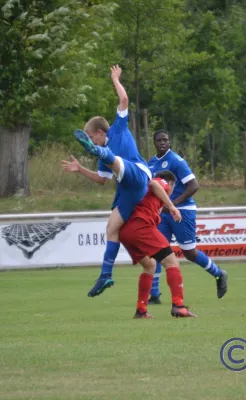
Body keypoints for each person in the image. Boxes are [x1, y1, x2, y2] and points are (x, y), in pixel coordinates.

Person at [61, 65, 151, 298]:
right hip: (127, 189)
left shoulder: (118, 128)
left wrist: (115, 78)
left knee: (117, 161)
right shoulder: (102, 155)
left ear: (101, 133)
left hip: (139, 174)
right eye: (89, 141)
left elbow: (124, 98)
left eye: (91, 138)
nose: (91, 140)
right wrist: (80, 169)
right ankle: (105, 275)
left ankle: (104, 155)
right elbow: (102, 180)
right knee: (111, 228)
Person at [147, 129, 228, 304]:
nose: (163, 143)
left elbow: (194, 185)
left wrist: (173, 204)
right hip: (164, 214)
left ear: (170, 143)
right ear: (154, 143)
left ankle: (219, 273)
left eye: (166, 140)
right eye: (159, 140)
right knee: (157, 249)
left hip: (183, 211)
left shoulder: (176, 161)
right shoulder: (152, 163)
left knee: (189, 253)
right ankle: (154, 294)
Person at [118, 170, 197, 319]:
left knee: (150, 265)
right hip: (141, 226)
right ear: (171, 184)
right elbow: (154, 183)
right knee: (172, 262)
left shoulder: (150, 196)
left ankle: (141, 310)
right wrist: (172, 206)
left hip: (126, 231)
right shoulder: (163, 182)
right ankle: (178, 306)